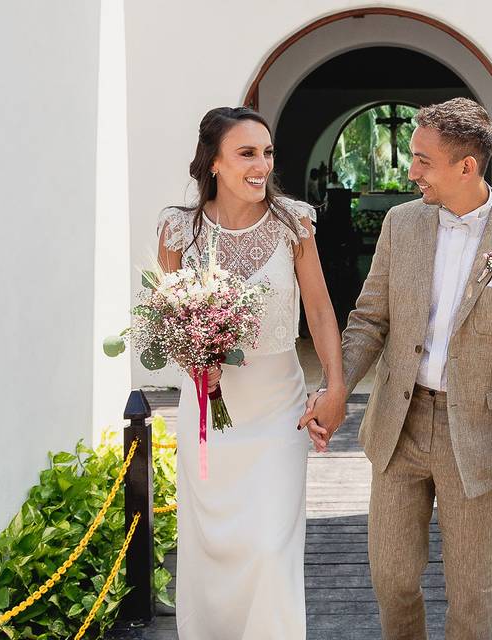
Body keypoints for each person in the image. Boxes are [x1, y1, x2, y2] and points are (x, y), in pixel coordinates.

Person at [301, 97, 492, 640]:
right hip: (397, 426)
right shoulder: (401, 225)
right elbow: (368, 321)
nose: (412, 170)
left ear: (466, 166)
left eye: (423, 159)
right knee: (392, 578)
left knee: (471, 592)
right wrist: (336, 388)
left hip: (474, 436)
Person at [157, 106, 345, 640]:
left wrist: (334, 386)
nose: (261, 164)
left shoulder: (293, 223)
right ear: (212, 163)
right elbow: (167, 317)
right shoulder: (178, 230)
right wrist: (196, 357)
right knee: (211, 545)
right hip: (209, 412)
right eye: (246, 153)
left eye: (266, 153)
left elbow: (321, 309)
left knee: (268, 546)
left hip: (276, 411)